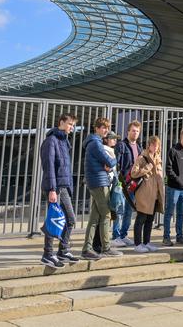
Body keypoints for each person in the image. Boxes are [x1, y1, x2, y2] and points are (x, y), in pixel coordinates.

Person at [39, 113, 78, 269]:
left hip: (63, 187)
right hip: (56, 188)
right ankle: (48, 254)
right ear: (61, 122)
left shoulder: (63, 142)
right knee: (58, 219)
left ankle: (63, 250)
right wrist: (52, 189)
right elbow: (49, 167)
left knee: (67, 220)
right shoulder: (51, 141)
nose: (72, 127)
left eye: (73, 125)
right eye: (70, 124)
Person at [81, 118, 120, 260]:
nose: (106, 130)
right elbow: (110, 161)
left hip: (96, 181)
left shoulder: (93, 143)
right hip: (99, 182)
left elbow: (107, 163)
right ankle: (106, 247)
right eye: (103, 128)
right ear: (96, 128)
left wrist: (109, 163)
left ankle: (87, 249)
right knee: (107, 215)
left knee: (94, 217)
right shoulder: (96, 144)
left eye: (107, 128)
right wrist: (115, 157)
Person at [129, 136, 165, 253]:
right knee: (141, 219)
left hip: (155, 194)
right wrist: (147, 168)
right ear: (148, 145)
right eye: (153, 145)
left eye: (157, 145)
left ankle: (146, 242)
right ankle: (138, 244)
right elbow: (133, 173)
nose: (155, 147)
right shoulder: (142, 158)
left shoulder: (158, 159)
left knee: (150, 219)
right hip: (144, 193)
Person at [164, 128, 183, 246]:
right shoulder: (173, 151)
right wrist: (178, 180)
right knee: (169, 212)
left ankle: (180, 236)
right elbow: (169, 169)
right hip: (173, 188)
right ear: (182, 136)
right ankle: (166, 237)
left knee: (181, 213)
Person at [92, 131, 122, 254]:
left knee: (103, 216)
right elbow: (107, 167)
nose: (115, 140)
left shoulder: (110, 150)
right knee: (102, 216)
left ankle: (99, 243)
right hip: (104, 185)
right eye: (112, 138)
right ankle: (98, 244)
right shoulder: (105, 150)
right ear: (106, 139)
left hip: (108, 185)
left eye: (116, 138)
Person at [113, 121, 142, 247]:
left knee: (129, 211)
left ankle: (124, 235)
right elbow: (116, 163)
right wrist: (119, 181)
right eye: (133, 130)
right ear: (128, 132)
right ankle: (116, 236)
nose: (135, 133)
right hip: (122, 183)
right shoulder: (121, 145)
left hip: (134, 185)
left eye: (137, 131)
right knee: (120, 209)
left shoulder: (139, 147)